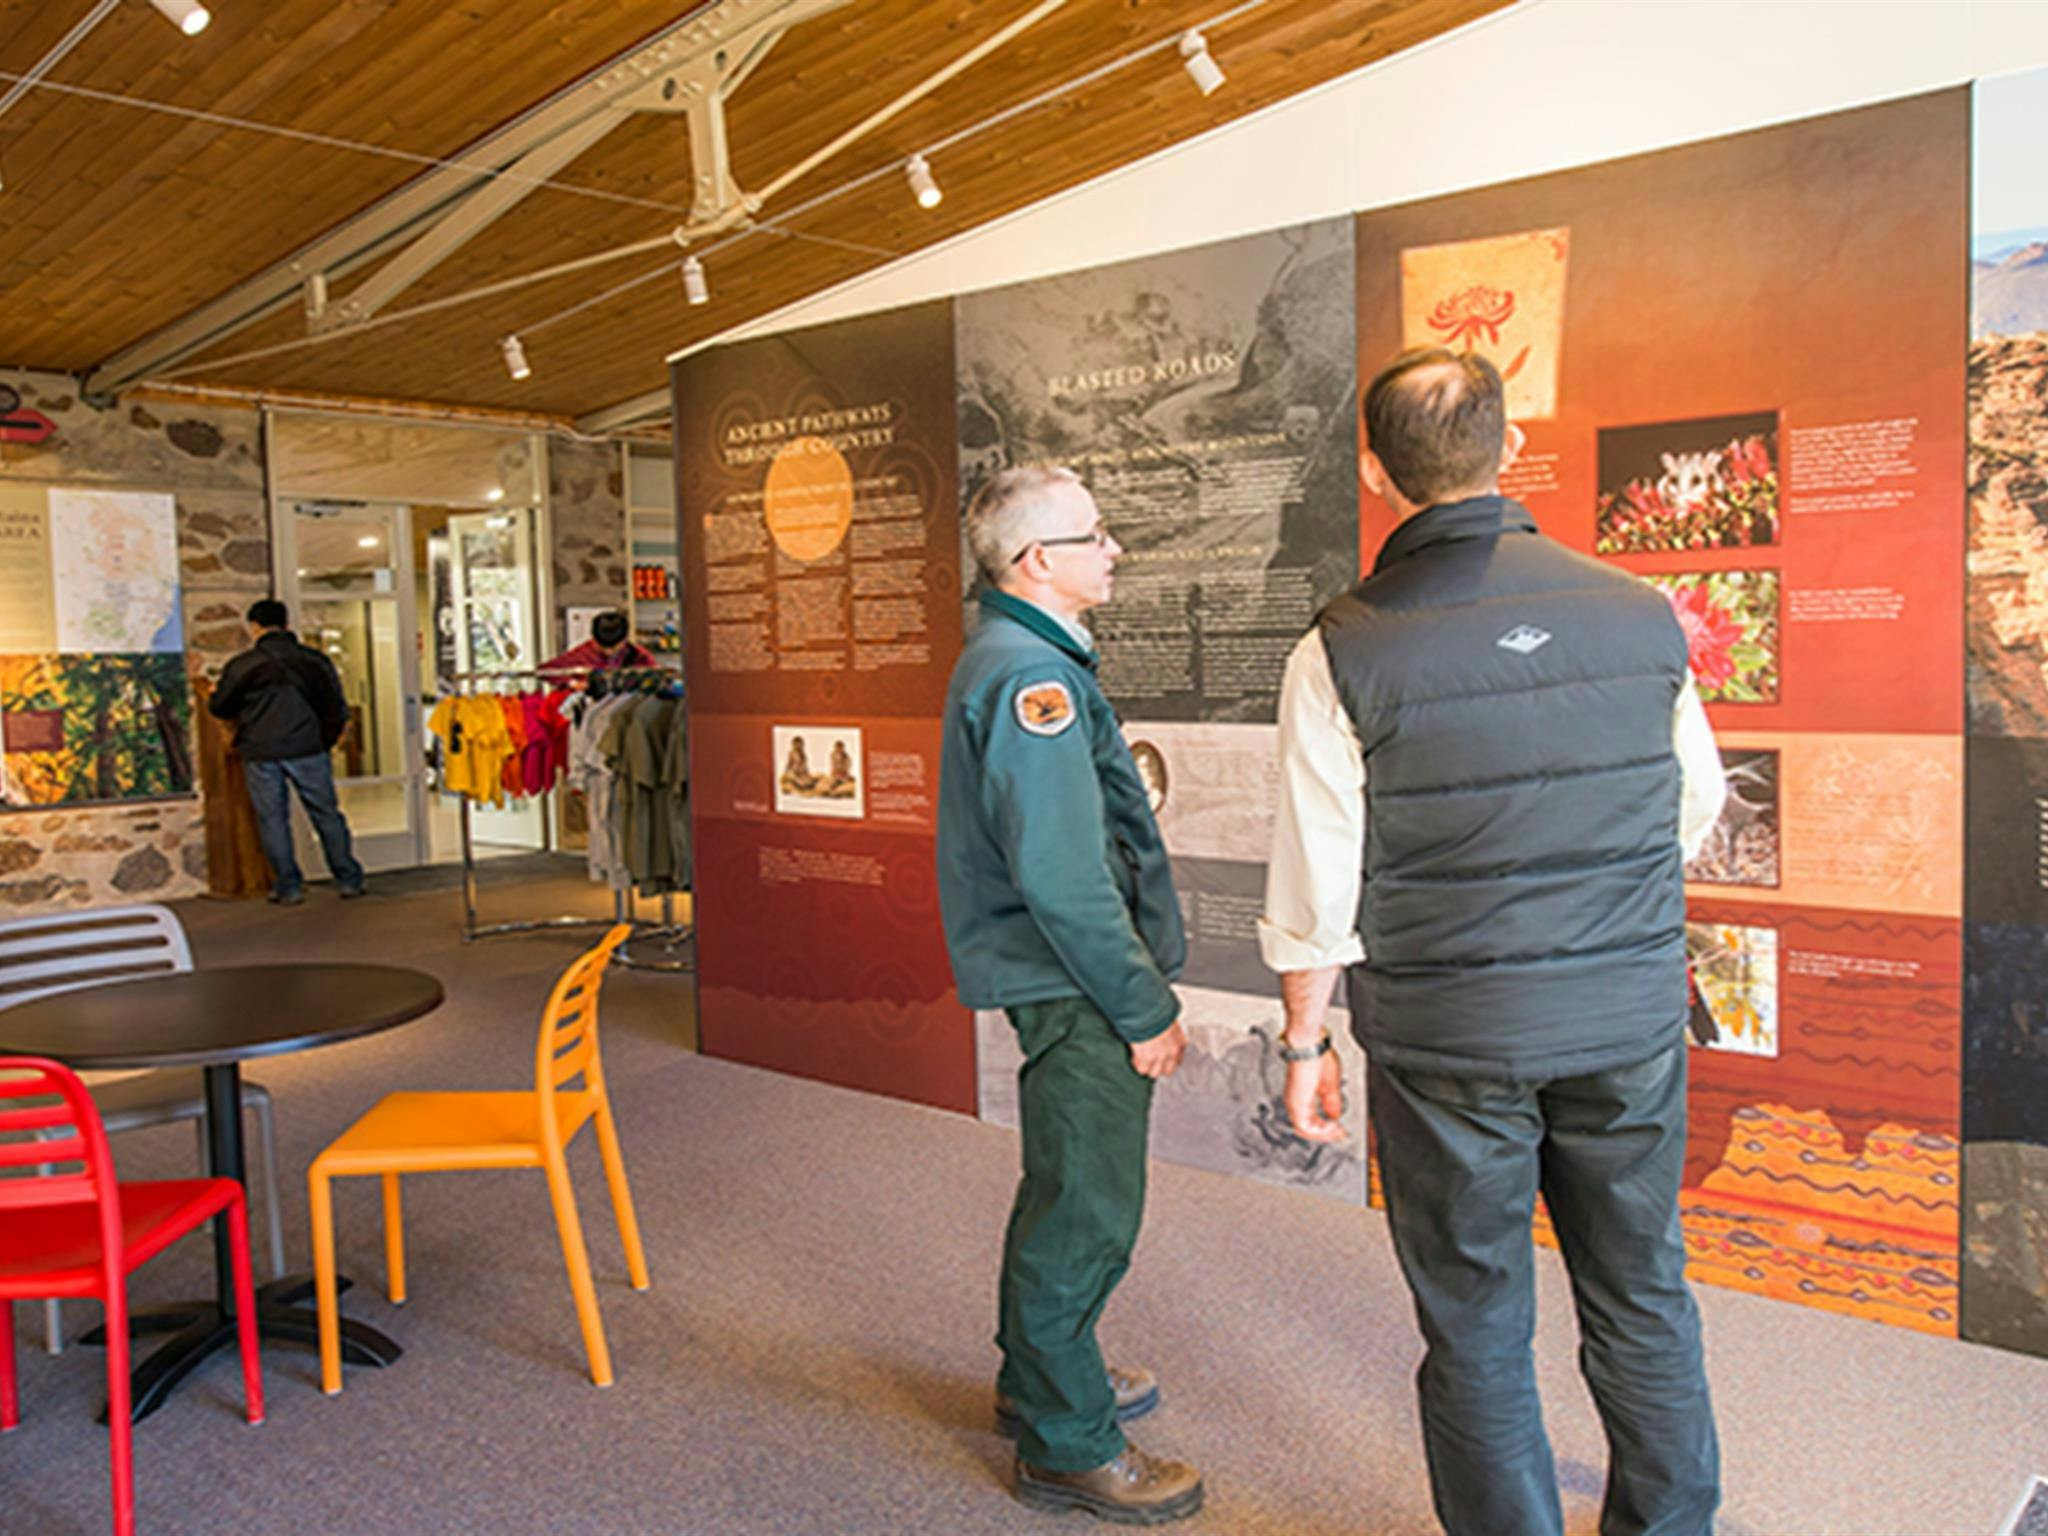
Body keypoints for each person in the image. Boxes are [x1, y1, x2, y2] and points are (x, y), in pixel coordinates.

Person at [1259, 349, 1727, 1536]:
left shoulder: (1339, 647)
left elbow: (1318, 876)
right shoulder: (1637, 613)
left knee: (1473, 1316)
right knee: (1641, 1289)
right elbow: (1692, 806)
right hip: (1622, 1017)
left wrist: (1303, 1043)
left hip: (1446, 1035)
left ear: (1373, 471)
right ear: (1510, 446)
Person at [936, 465, 1204, 1525]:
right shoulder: (1027, 678)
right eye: (1096, 534)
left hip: (1065, 973)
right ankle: (1067, 1443)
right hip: (1078, 982)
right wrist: (1142, 1006)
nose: (1114, 549)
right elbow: (1059, 872)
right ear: (1037, 561)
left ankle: (1035, 1378)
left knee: (1063, 1185)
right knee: (1086, 1210)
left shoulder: (1027, 658)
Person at [209, 598, 366, 906]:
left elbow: (220, 707)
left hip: (260, 751)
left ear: (254, 626)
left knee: (272, 820)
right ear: (287, 623)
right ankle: (348, 879)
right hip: (308, 747)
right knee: (326, 814)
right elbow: (335, 707)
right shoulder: (315, 661)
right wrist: (323, 741)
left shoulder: (243, 665)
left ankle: (288, 886)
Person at [539, 609, 658, 675]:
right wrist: (571, 683)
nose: (608, 652)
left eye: (613, 647)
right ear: (593, 639)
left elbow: (656, 677)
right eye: (602, 646)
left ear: (624, 640)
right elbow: (545, 671)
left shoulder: (640, 657)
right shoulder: (582, 654)